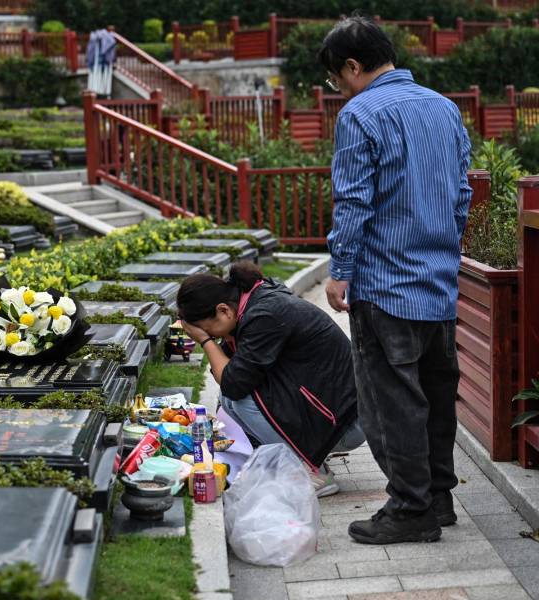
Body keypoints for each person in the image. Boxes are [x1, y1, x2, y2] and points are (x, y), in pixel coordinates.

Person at [319, 16, 472, 544]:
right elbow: (461, 195)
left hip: (385, 284)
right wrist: (443, 254)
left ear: (353, 67)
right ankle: (438, 499)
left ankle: (409, 510)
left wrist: (340, 271)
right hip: (438, 282)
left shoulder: (361, 114)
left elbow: (354, 200)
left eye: (336, 78)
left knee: (392, 401)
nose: (338, 89)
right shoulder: (444, 107)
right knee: (434, 392)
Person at [177, 261, 365, 497]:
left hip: (347, 425)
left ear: (224, 310)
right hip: (334, 414)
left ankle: (312, 472)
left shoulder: (264, 315)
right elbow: (231, 374)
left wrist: (205, 342)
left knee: (240, 399)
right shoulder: (252, 304)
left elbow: (233, 383)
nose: (213, 337)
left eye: (209, 330)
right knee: (232, 399)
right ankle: (301, 459)